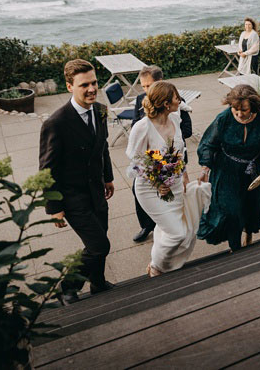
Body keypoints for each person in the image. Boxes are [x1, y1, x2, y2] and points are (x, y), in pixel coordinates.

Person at [40, 59, 115, 303]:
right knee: (99, 245)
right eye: (84, 85)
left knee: (99, 237)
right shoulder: (56, 123)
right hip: (72, 196)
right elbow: (47, 168)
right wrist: (54, 207)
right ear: (69, 86)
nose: (92, 88)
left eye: (94, 82)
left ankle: (98, 283)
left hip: (97, 190)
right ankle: (67, 287)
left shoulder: (101, 110)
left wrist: (108, 178)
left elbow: (102, 147)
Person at [126, 81, 198, 276]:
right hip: (150, 189)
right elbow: (136, 162)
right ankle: (157, 265)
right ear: (166, 104)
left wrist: (183, 174)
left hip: (174, 185)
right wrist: (158, 183)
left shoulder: (174, 118)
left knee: (171, 229)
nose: (179, 100)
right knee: (178, 233)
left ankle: (161, 262)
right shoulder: (142, 127)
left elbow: (179, 151)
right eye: (176, 97)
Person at [196, 85, 260, 252]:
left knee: (251, 207)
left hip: (252, 171)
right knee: (231, 212)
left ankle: (248, 233)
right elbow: (207, 145)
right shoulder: (223, 118)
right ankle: (236, 248)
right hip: (226, 172)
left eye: (244, 110)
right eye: (235, 109)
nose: (239, 114)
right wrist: (205, 167)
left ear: (253, 106)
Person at [128, 66, 192, 243]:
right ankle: (147, 226)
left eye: (150, 86)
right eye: (144, 87)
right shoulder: (142, 116)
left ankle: (161, 233)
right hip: (150, 173)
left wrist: (181, 169)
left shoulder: (176, 113)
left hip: (174, 171)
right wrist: (156, 175)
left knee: (175, 225)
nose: (148, 91)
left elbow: (184, 136)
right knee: (176, 231)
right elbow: (136, 158)